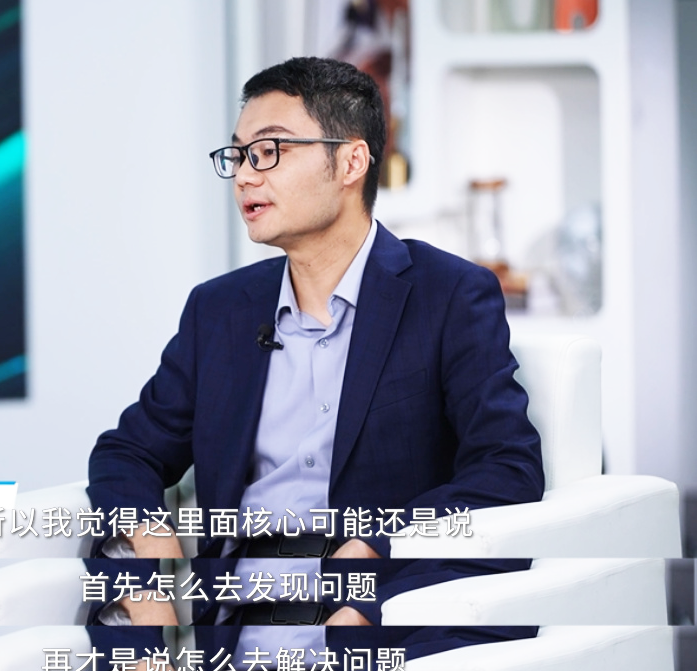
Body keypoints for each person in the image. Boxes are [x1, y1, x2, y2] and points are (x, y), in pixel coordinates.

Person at [88, 56, 543, 569]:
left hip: (374, 606)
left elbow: (506, 470)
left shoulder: (448, 295)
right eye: (237, 156)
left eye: (269, 152)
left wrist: (382, 547)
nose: (243, 176)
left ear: (351, 162)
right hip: (242, 611)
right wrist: (138, 569)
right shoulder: (218, 311)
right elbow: (129, 453)